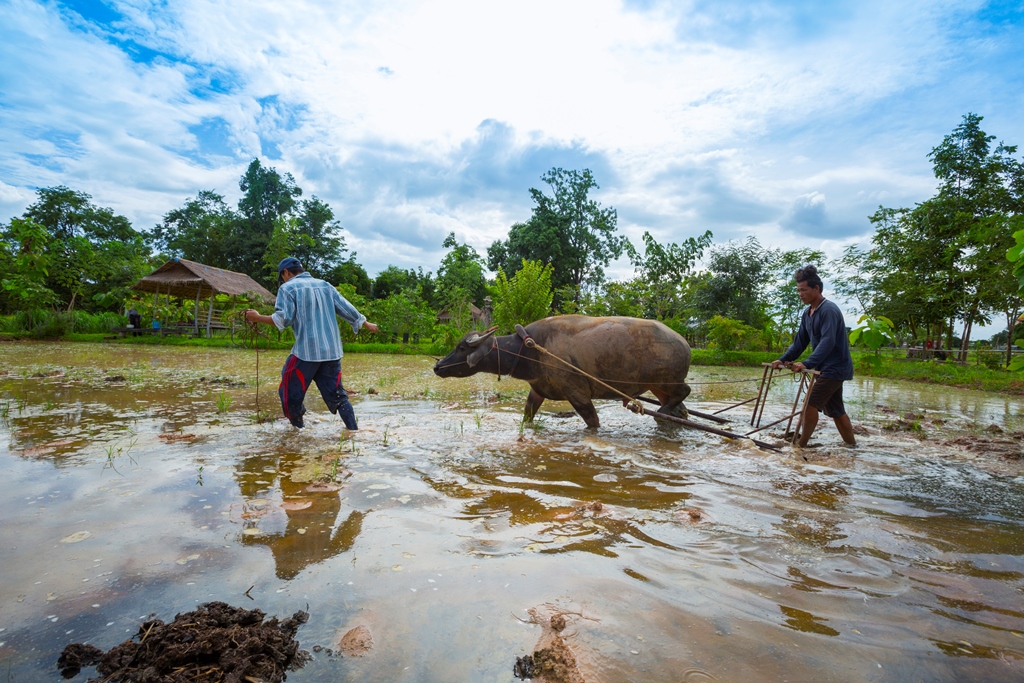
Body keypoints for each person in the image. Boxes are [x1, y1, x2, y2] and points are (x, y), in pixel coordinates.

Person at [244, 257, 379, 431]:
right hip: (331, 352)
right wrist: (365, 323)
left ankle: (298, 431)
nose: (283, 280)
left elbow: (283, 319)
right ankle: (353, 431)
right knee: (338, 397)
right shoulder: (325, 285)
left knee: (288, 393)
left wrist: (256, 317)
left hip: (305, 353)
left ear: (286, 273)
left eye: (282, 276)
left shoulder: (288, 288)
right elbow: (346, 308)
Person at [771, 265, 856, 447]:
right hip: (825, 368)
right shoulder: (807, 314)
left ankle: (801, 445)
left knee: (809, 404)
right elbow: (800, 342)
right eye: (798, 290)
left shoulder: (828, 311)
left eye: (804, 290)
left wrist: (807, 362)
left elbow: (828, 341)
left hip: (835, 367)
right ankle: (852, 446)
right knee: (837, 411)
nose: (800, 294)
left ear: (816, 289)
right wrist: (783, 359)